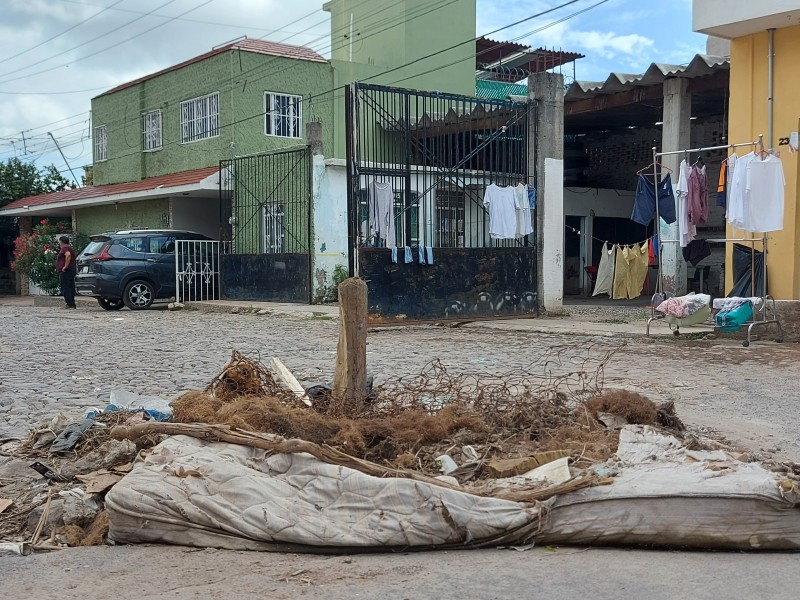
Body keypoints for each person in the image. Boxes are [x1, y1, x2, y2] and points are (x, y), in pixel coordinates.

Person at [56, 235, 77, 309]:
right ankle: (71, 303)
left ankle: (69, 303)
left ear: (62, 242)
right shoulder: (69, 248)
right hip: (71, 270)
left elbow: (68, 255)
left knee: (66, 287)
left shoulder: (65, 248)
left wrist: (65, 266)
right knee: (70, 286)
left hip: (66, 271)